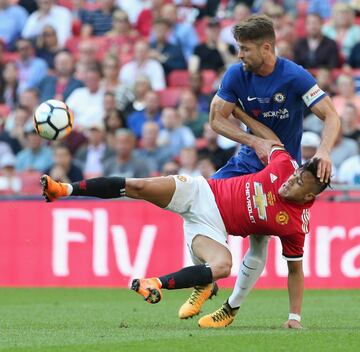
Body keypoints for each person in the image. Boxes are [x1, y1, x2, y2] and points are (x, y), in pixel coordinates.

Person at [40, 106, 330, 329]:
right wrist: (239, 112)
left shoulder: (294, 225)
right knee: (138, 186)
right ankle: (63, 189)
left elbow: (295, 271)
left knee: (222, 266)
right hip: (200, 192)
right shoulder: (284, 164)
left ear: (308, 197)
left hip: (212, 228)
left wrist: (294, 316)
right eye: (295, 175)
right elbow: (270, 139)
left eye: (297, 183)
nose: (289, 181)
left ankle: (154, 283)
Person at [190, 14, 340, 329]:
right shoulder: (235, 75)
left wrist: (324, 151)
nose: (240, 54)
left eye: (244, 48)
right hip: (246, 161)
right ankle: (204, 280)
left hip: (284, 172)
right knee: (196, 203)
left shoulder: (295, 76)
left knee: (260, 242)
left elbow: (331, 116)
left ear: (266, 48)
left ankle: (230, 309)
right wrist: (252, 141)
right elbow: (216, 119)